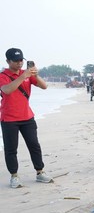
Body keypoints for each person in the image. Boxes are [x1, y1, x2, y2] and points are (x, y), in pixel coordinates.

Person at [0, 48, 54, 188]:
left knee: (34, 145)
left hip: (27, 117)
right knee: (11, 149)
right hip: (9, 118)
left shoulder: (27, 74)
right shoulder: (3, 75)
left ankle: (40, 172)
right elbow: (6, 90)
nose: (19, 63)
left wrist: (35, 74)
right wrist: (23, 76)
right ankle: (14, 176)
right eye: (16, 60)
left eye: (21, 60)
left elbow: (44, 86)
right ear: (8, 61)